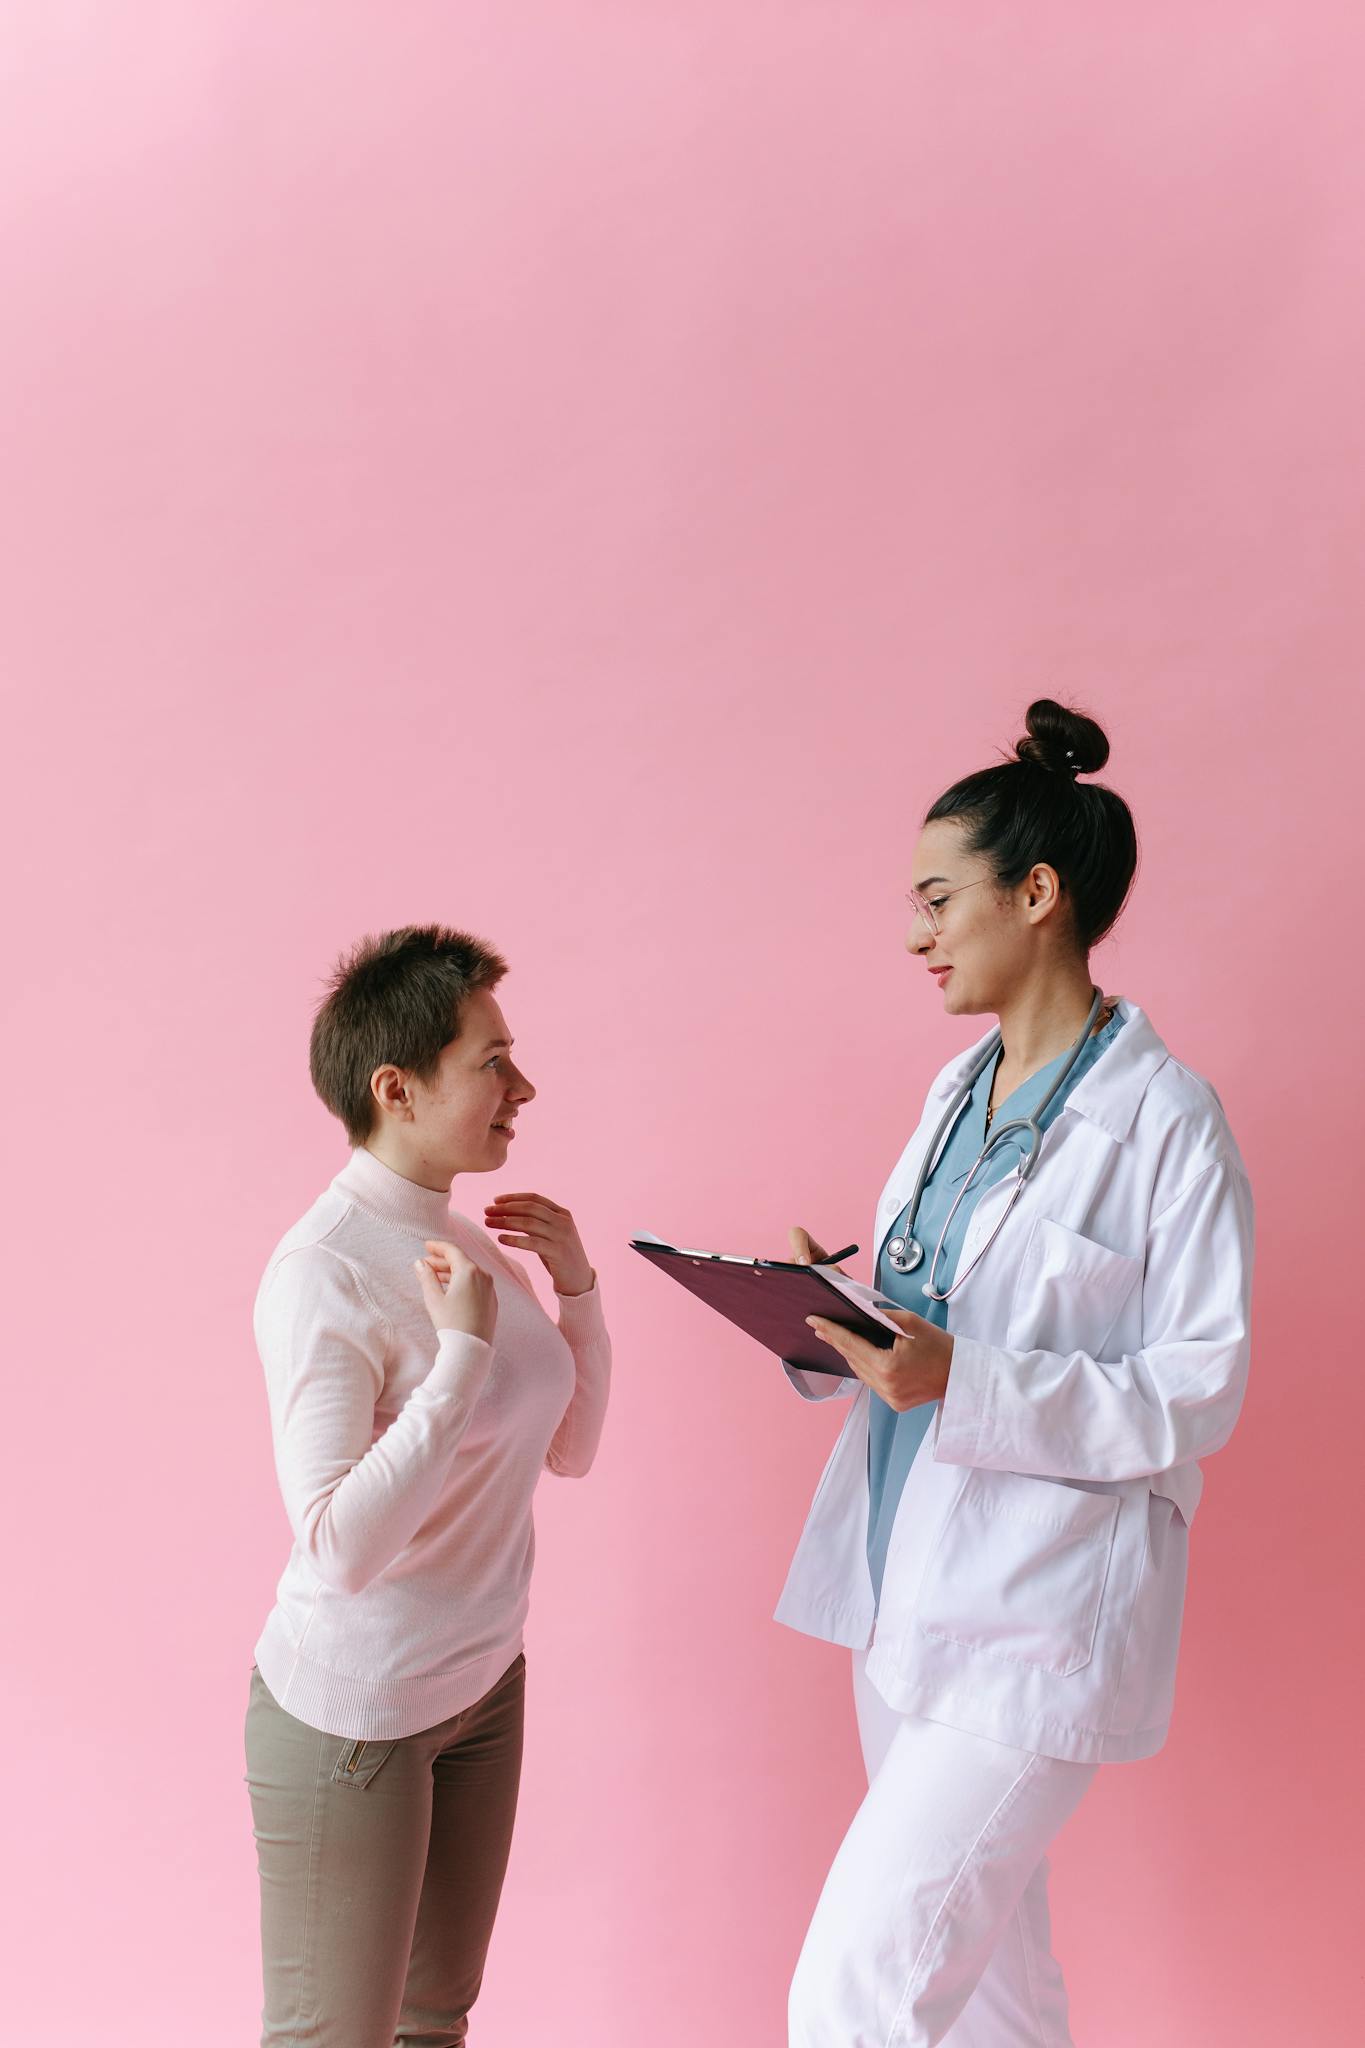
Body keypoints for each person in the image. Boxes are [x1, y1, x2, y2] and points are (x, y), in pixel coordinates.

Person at [777, 701, 1253, 2047]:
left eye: (937, 898)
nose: (915, 932)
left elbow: (1195, 1388)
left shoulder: (1164, 1120)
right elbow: (938, 1314)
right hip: (906, 1586)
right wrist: (838, 1320)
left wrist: (961, 1381)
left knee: (856, 1992)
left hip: (1036, 1614)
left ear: (1035, 894)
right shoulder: (953, 1091)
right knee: (991, 2000)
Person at [243, 924, 611, 2048]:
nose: (524, 1085)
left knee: (435, 2022)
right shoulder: (323, 1269)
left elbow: (572, 1448)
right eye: (492, 1060)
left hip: (482, 1686)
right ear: (395, 1086)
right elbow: (337, 1549)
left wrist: (578, 1288)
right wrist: (458, 1359)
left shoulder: (461, 1238)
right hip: (354, 1715)